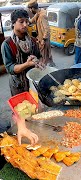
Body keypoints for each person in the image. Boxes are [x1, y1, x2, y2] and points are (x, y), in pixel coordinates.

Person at [1, 9, 39, 145]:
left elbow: (38, 58)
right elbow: (11, 68)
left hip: (32, 82)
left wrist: (35, 60)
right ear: (13, 24)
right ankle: (20, 133)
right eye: (21, 21)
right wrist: (26, 64)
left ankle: (33, 132)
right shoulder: (7, 45)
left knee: (33, 108)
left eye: (27, 21)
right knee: (20, 111)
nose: (25, 24)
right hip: (17, 83)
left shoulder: (32, 41)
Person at [28, 0, 55, 67]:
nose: (30, 11)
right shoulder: (37, 14)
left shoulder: (42, 16)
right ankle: (52, 64)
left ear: (33, 8)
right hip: (41, 38)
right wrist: (26, 20)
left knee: (43, 55)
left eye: (30, 10)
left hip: (44, 39)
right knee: (47, 53)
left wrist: (43, 40)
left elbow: (47, 30)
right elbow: (31, 21)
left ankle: (45, 70)